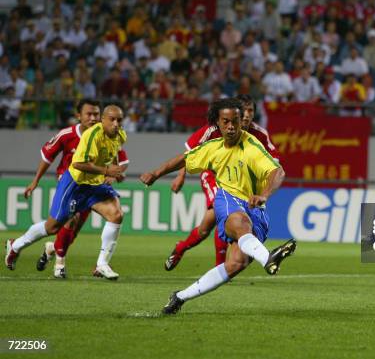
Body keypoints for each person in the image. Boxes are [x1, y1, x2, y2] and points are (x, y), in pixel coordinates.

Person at [140, 97, 296, 314]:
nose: (231, 126)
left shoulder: (252, 146)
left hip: (255, 207)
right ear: (218, 123)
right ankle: (267, 257)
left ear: (242, 120)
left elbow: (277, 172)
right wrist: (156, 173)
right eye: (225, 122)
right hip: (227, 199)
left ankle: (179, 297)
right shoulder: (212, 147)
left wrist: (264, 195)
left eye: (235, 121)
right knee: (239, 221)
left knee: (235, 264)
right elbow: (184, 159)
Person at [5, 105, 128, 280]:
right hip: (75, 183)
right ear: (104, 120)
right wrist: (108, 170)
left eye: (119, 120)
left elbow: (113, 152)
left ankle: (102, 264)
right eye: (112, 119)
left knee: (116, 215)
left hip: (95, 184)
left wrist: (115, 169)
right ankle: (15, 245)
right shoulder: (91, 135)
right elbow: (77, 164)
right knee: (52, 227)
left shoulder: (121, 134)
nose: (116, 124)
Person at [165, 94, 281, 270]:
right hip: (212, 175)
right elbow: (190, 153)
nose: (248, 115)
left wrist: (264, 189)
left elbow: (274, 164)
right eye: (245, 110)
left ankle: (181, 247)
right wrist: (181, 175)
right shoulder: (215, 128)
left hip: (240, 181)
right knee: (221, 213)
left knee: (205, 228)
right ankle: (220, 265)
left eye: (251, 110)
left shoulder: (259, 134)